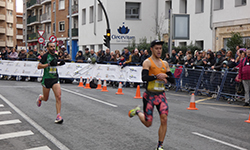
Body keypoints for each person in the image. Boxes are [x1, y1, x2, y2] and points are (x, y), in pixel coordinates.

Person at [128, 40, 175, 150]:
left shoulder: (165, 64)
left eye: (160, 48)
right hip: (149, 96)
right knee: (148, 123)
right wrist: (156, 77)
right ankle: (138, 112)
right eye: (156, 48)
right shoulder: (147, 62)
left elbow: (173, 81)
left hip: (161, 96)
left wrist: (165, 77)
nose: (159, 51)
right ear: (152, 49)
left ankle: (160, 145)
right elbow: (144, 78)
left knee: (164, 119)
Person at [37, 42, 65, 124]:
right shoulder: (45, 56)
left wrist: (60, 63)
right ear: (48, 48)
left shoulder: (56, 55)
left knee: (59, 96)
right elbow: (39, 66)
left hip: (55, 78)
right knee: (46, 98)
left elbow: (55, 63)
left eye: (54, 46)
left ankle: (58, 116)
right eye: (51, 47)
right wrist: (48, 64)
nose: (53, 48)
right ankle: (40, 98)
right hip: (46, 79)